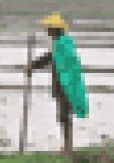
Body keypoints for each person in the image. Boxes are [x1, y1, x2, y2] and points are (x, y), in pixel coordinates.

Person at [26, 12, 88, 154]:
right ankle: (67, 145)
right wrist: (33, 66)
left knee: (64, 115)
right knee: (64, 115)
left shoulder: (61, 43)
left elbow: (50, 58)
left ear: (55, 29)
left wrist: (32, 66)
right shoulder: (62, 42)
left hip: (66, 83)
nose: (47, 32)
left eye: (49, 29)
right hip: (65, 81)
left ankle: (68, 147)